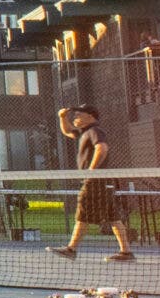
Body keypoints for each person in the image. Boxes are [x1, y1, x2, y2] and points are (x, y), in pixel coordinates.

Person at [51, 105, 133, 260]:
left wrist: (91, 171)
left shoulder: (95, 131)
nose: (75, 118)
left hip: (95, 181)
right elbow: (68, 131)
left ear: (90, 116)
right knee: (113, 217)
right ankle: (126, 252)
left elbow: (102, 148)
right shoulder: (84, 132)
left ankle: (71, 249)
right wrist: (62, 117)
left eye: (78, 115)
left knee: (83, 213)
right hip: (102, 182)